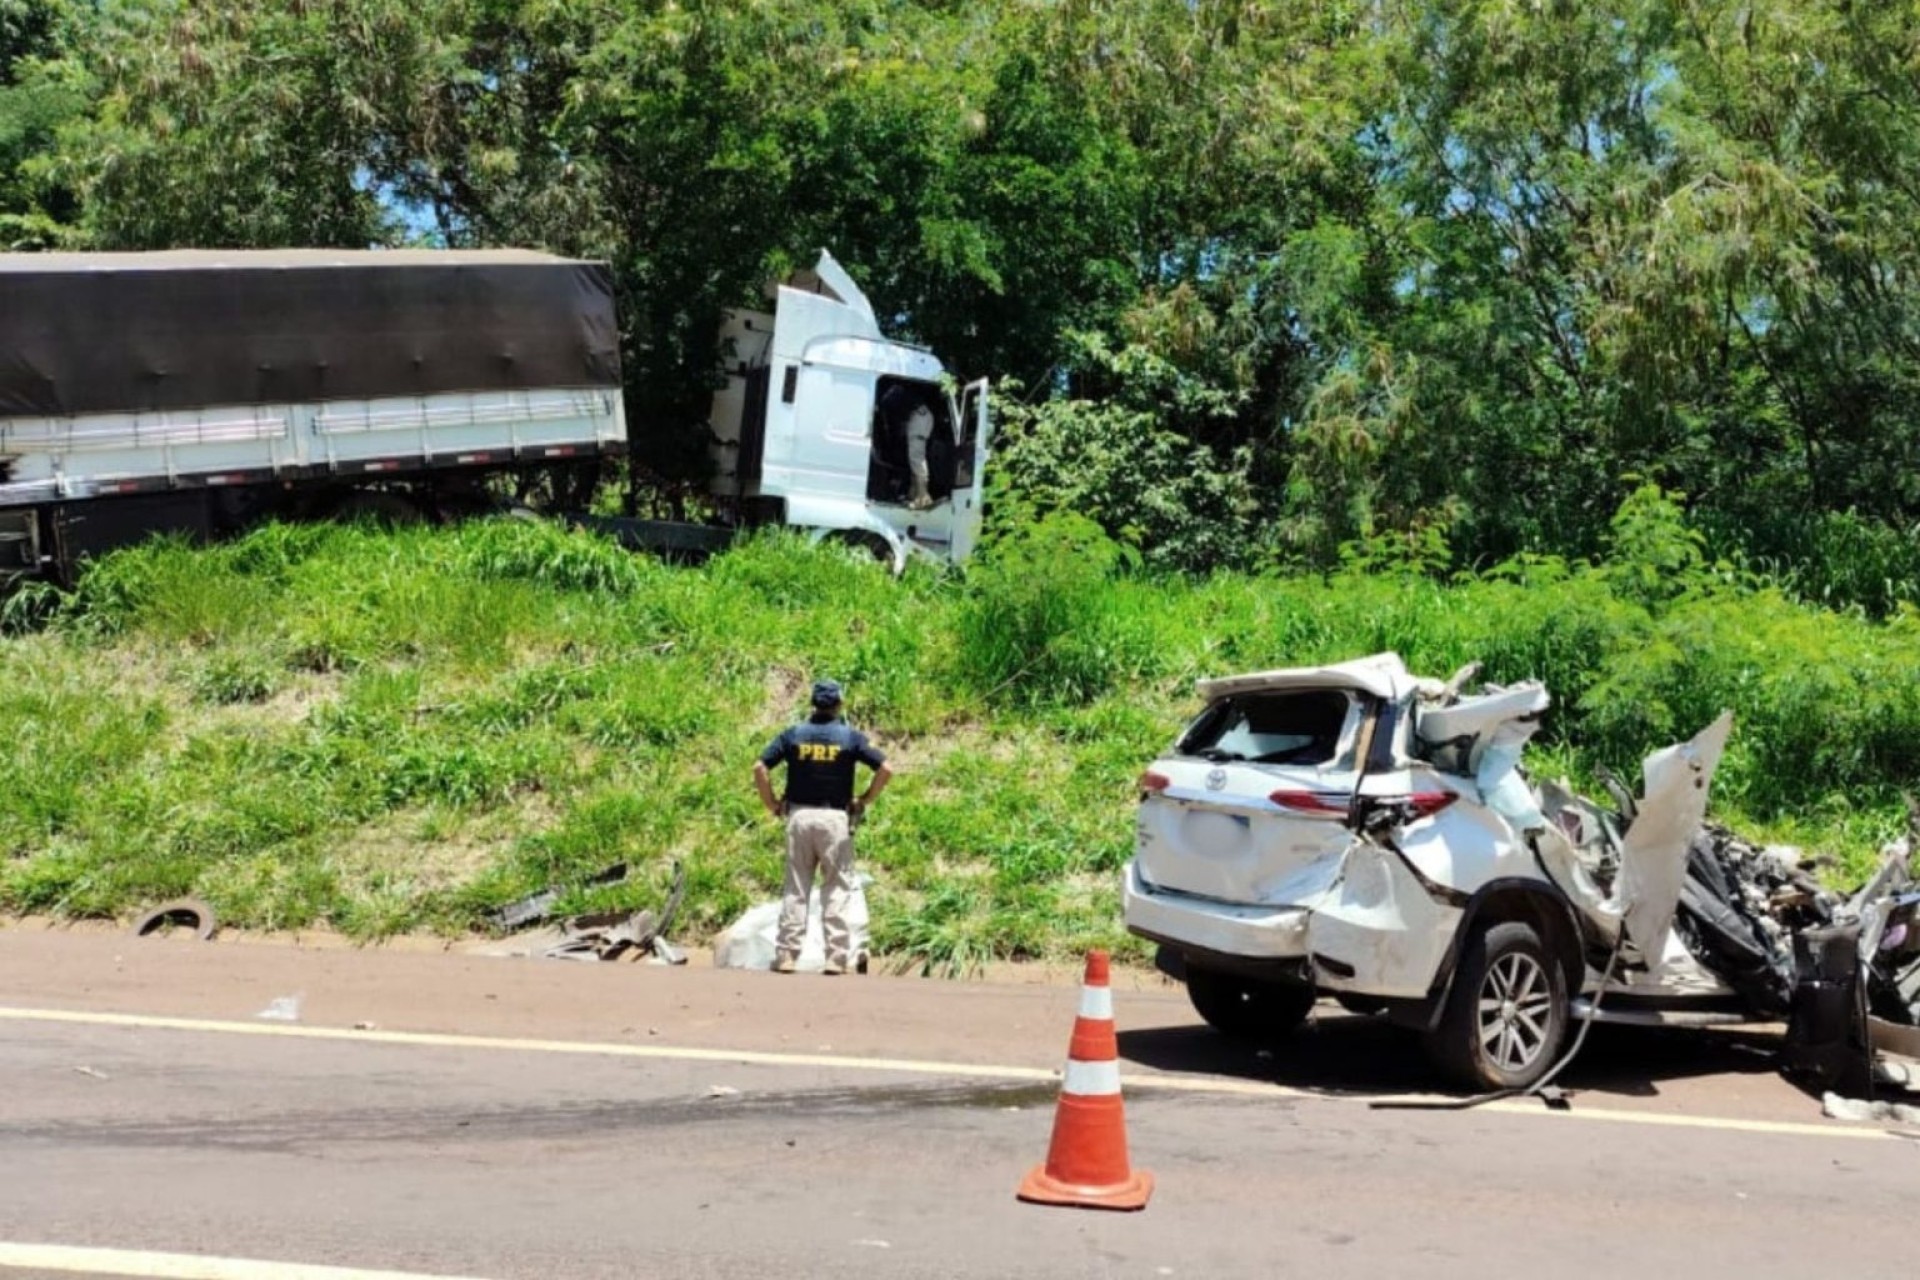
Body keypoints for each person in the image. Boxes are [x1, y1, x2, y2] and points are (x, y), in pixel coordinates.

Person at [752, 678, 892, 974]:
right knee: (836, 887)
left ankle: (788, 955)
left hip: (799, 818)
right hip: (834, 820)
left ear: (813, 704)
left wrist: (772, 803)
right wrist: (866, 798)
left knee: (796, 888)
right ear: (839, 704)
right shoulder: (849, 738)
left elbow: (760, 767)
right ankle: (836, 957)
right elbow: (885, 767)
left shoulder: (793, 735)